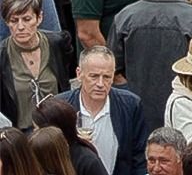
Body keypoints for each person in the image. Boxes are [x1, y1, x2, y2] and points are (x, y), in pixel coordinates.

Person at [56, 46, 150, 175]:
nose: (100, 84)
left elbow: (139, 157)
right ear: (79, 74)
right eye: (94, 76)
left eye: (106, 77)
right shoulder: (60, 107)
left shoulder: (131, 105)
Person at [0, 0, 72, 130]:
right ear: (7, 22)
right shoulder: (2, 56)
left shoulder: (58, 43)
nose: (20, 27)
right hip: (21, 135)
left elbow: (65, 83)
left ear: (39, 18)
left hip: (57, 130)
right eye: (14, 21)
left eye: (27, 19)